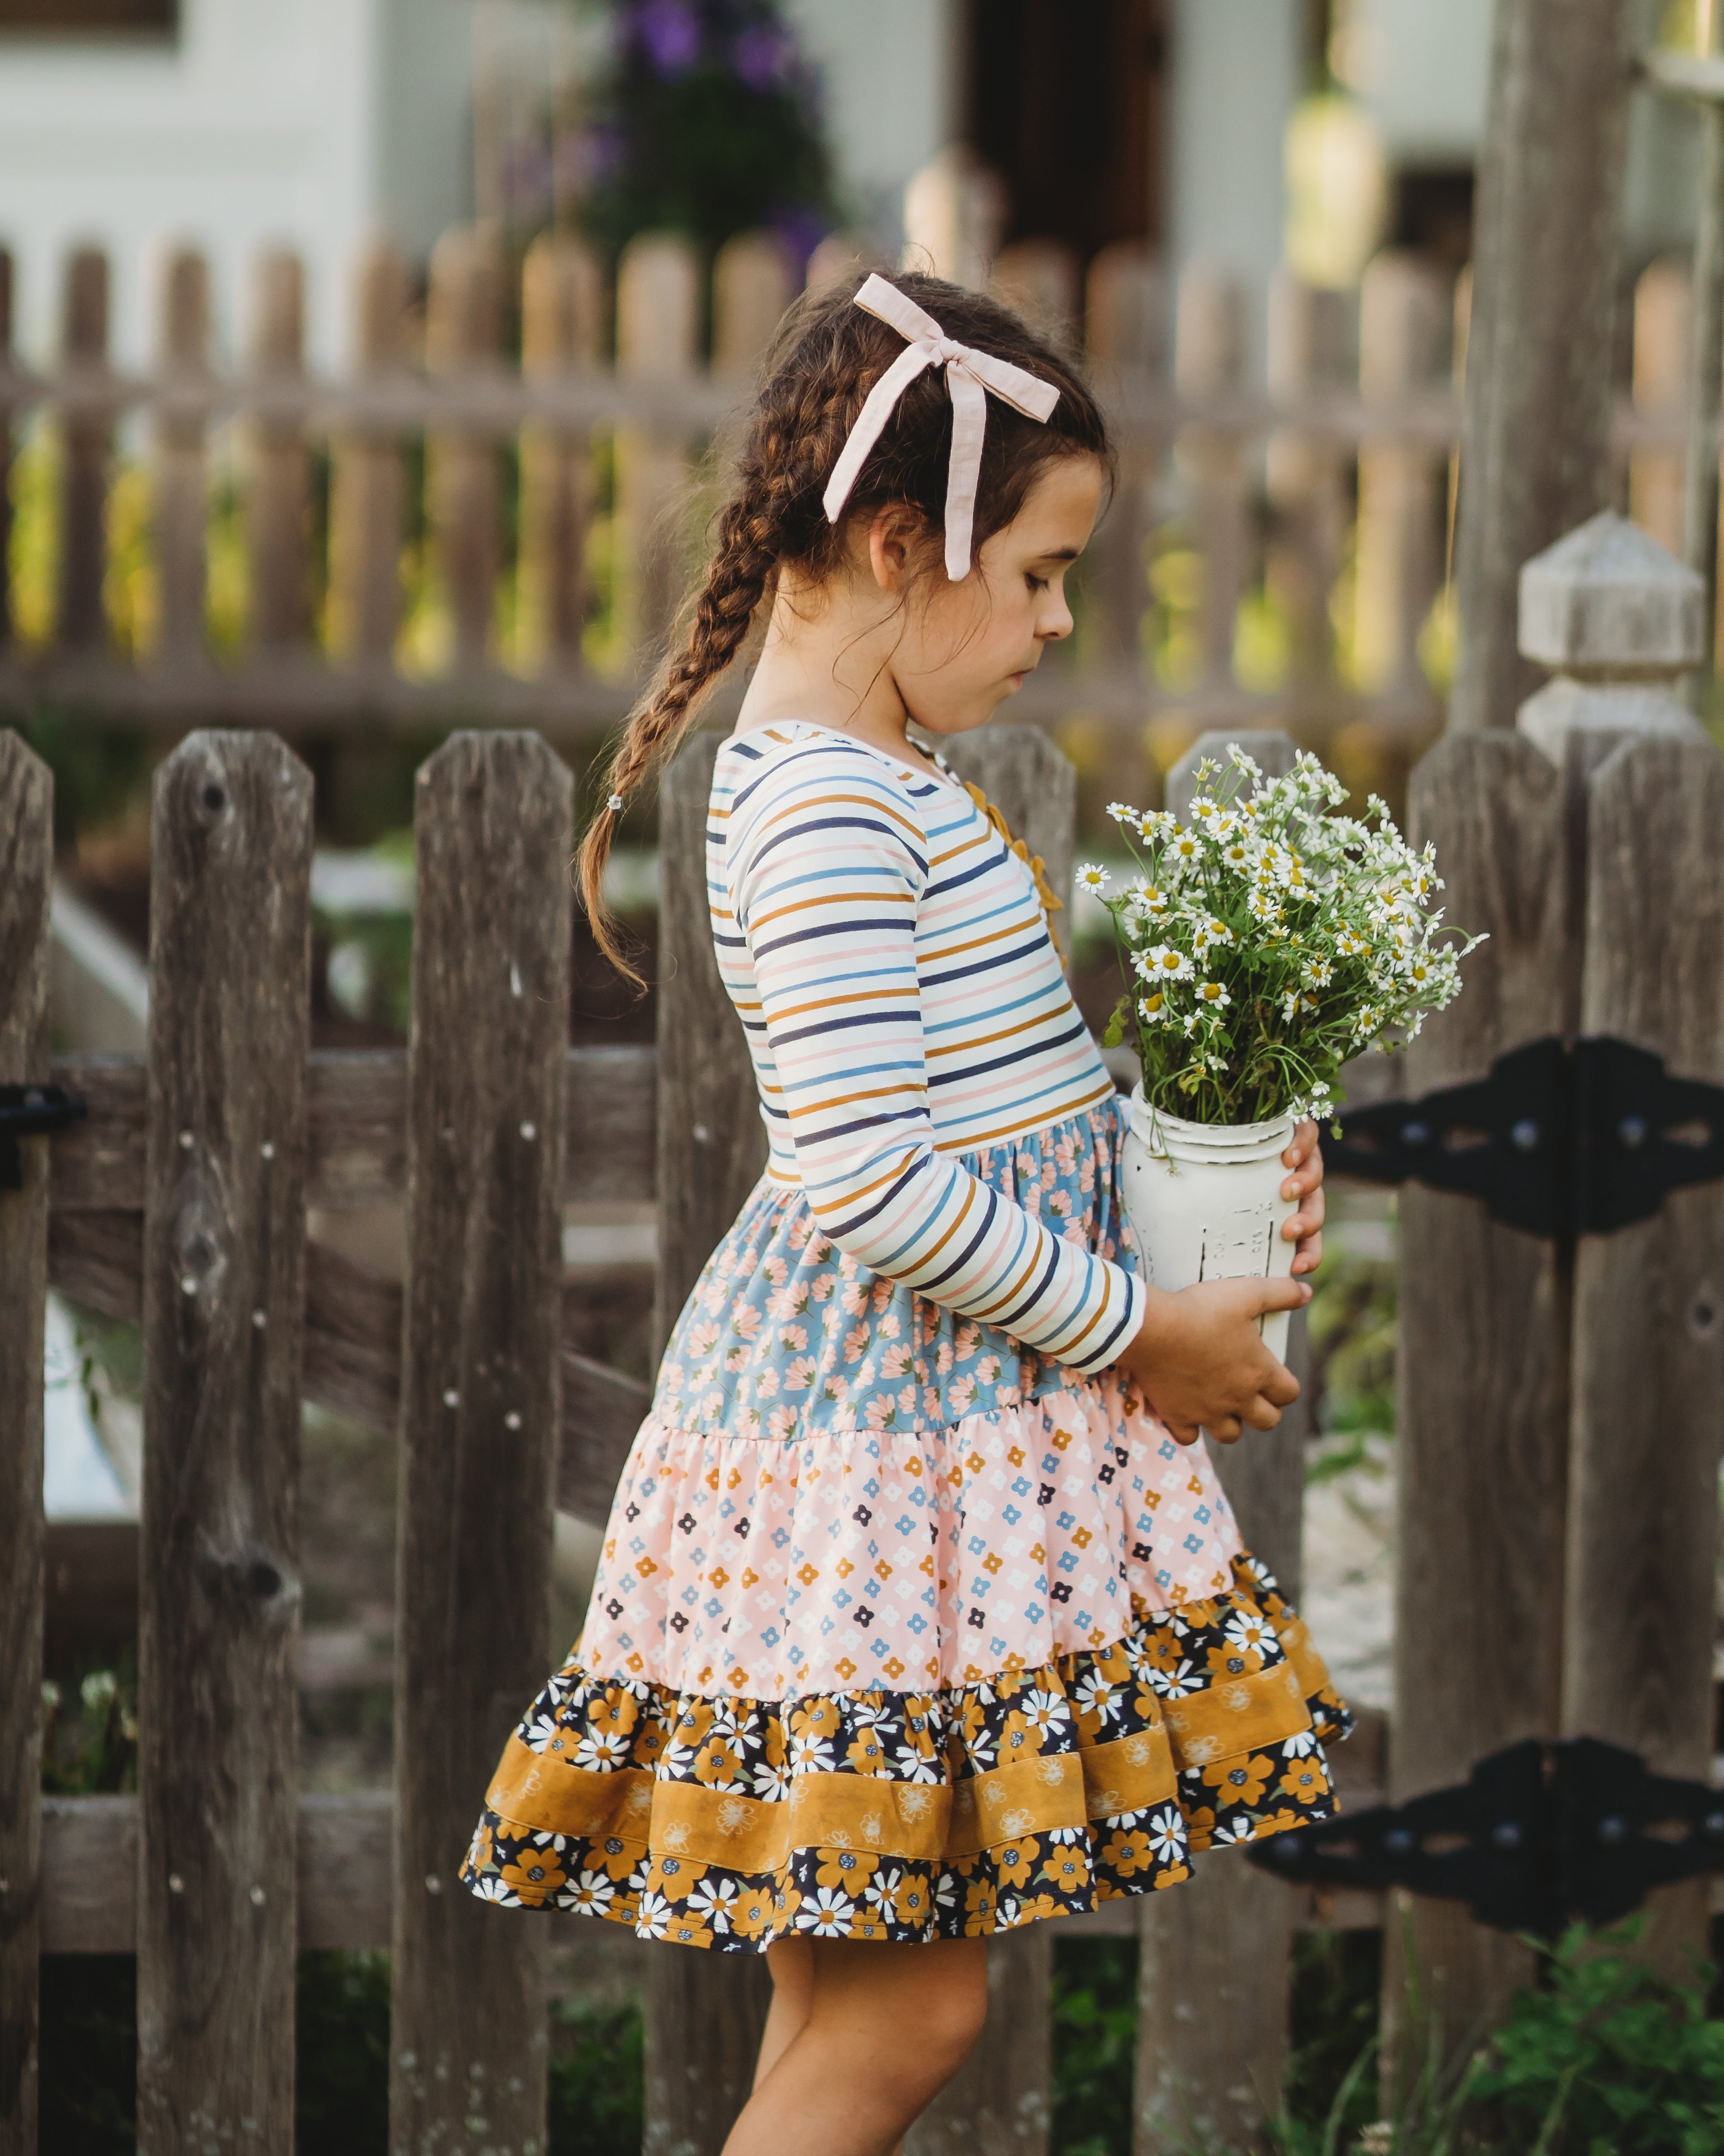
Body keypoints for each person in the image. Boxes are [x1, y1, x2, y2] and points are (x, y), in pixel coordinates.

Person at [464, 268, 1348, 2154]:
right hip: (872, 1460)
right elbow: (869, 1176)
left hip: (895, 1451)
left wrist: (1188, 1168)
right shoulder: (829, 813)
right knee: (921, 2004)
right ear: (894, 540)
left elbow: (1004, 1102)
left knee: (851, 1999)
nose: (1052, 623)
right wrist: (1142, 1329)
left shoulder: (878, 778)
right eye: (1035, 571)